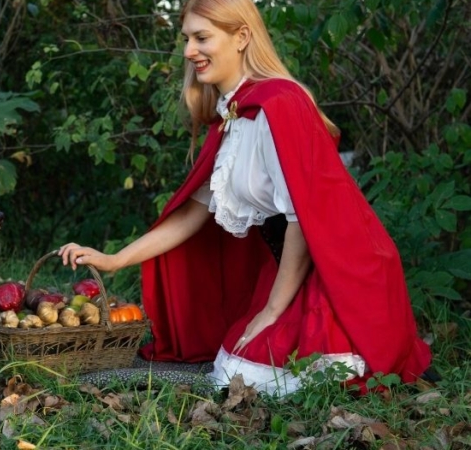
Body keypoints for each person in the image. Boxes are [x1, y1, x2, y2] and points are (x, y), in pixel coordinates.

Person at [58, 0, 431, 395]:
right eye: (186, 39)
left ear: (241, 37)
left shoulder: (278, 104)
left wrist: (273, 309)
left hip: (338, 278)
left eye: (202, 38)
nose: (189, 51)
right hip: (290, 273)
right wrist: (114, 260)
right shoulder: (233, 116)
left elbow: (301, 218)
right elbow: (192, 215)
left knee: (250, 376)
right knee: (233, 367)